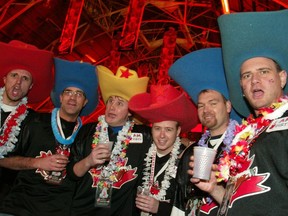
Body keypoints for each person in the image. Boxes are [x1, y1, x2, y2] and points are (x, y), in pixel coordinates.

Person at [187, 9, 288, 216]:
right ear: (242, 88)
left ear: (282, 78)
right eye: (247, 76)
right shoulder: (247, 135)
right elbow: (241, 203)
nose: (255, 80)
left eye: (264, 72)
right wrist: (213, 188)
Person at [0, 58, 99, 216]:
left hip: (59, 210)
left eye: (78, 94)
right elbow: (4, 160)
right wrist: (36, 162)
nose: (72, 98)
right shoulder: (32, 121)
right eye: (68, 92)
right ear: (60, 97)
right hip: (19, 208)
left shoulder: (88, 134)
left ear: (85, 102)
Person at [67, 65, 152, 216]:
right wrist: (89, 161)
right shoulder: (88, 131)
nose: (112, 106)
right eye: (110, 100)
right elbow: (71, 173)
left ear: (130, 111)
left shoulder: (145, 136)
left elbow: (167, 138)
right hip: (82, 211)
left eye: (120, 103)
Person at [168, 48, 242, 215]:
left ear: (228, 106)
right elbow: (179, 201)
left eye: (213, 103)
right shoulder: (190, 154)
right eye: (201, 105)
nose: (206, 109)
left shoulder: (242, 147)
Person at [128, 84, 198, 215]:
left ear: (178, 131)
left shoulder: (187, 160)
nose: (162, 135)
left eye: (168, 129)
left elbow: (192, 208)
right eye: (157, 128)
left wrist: (160, 208)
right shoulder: (141, 152)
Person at [0, 40, 54, 202]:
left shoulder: (33, 122)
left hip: (5, 199)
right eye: (14, 75)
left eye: (25, 79)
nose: (18, 83)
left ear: (30, 87)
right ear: (4, 79)